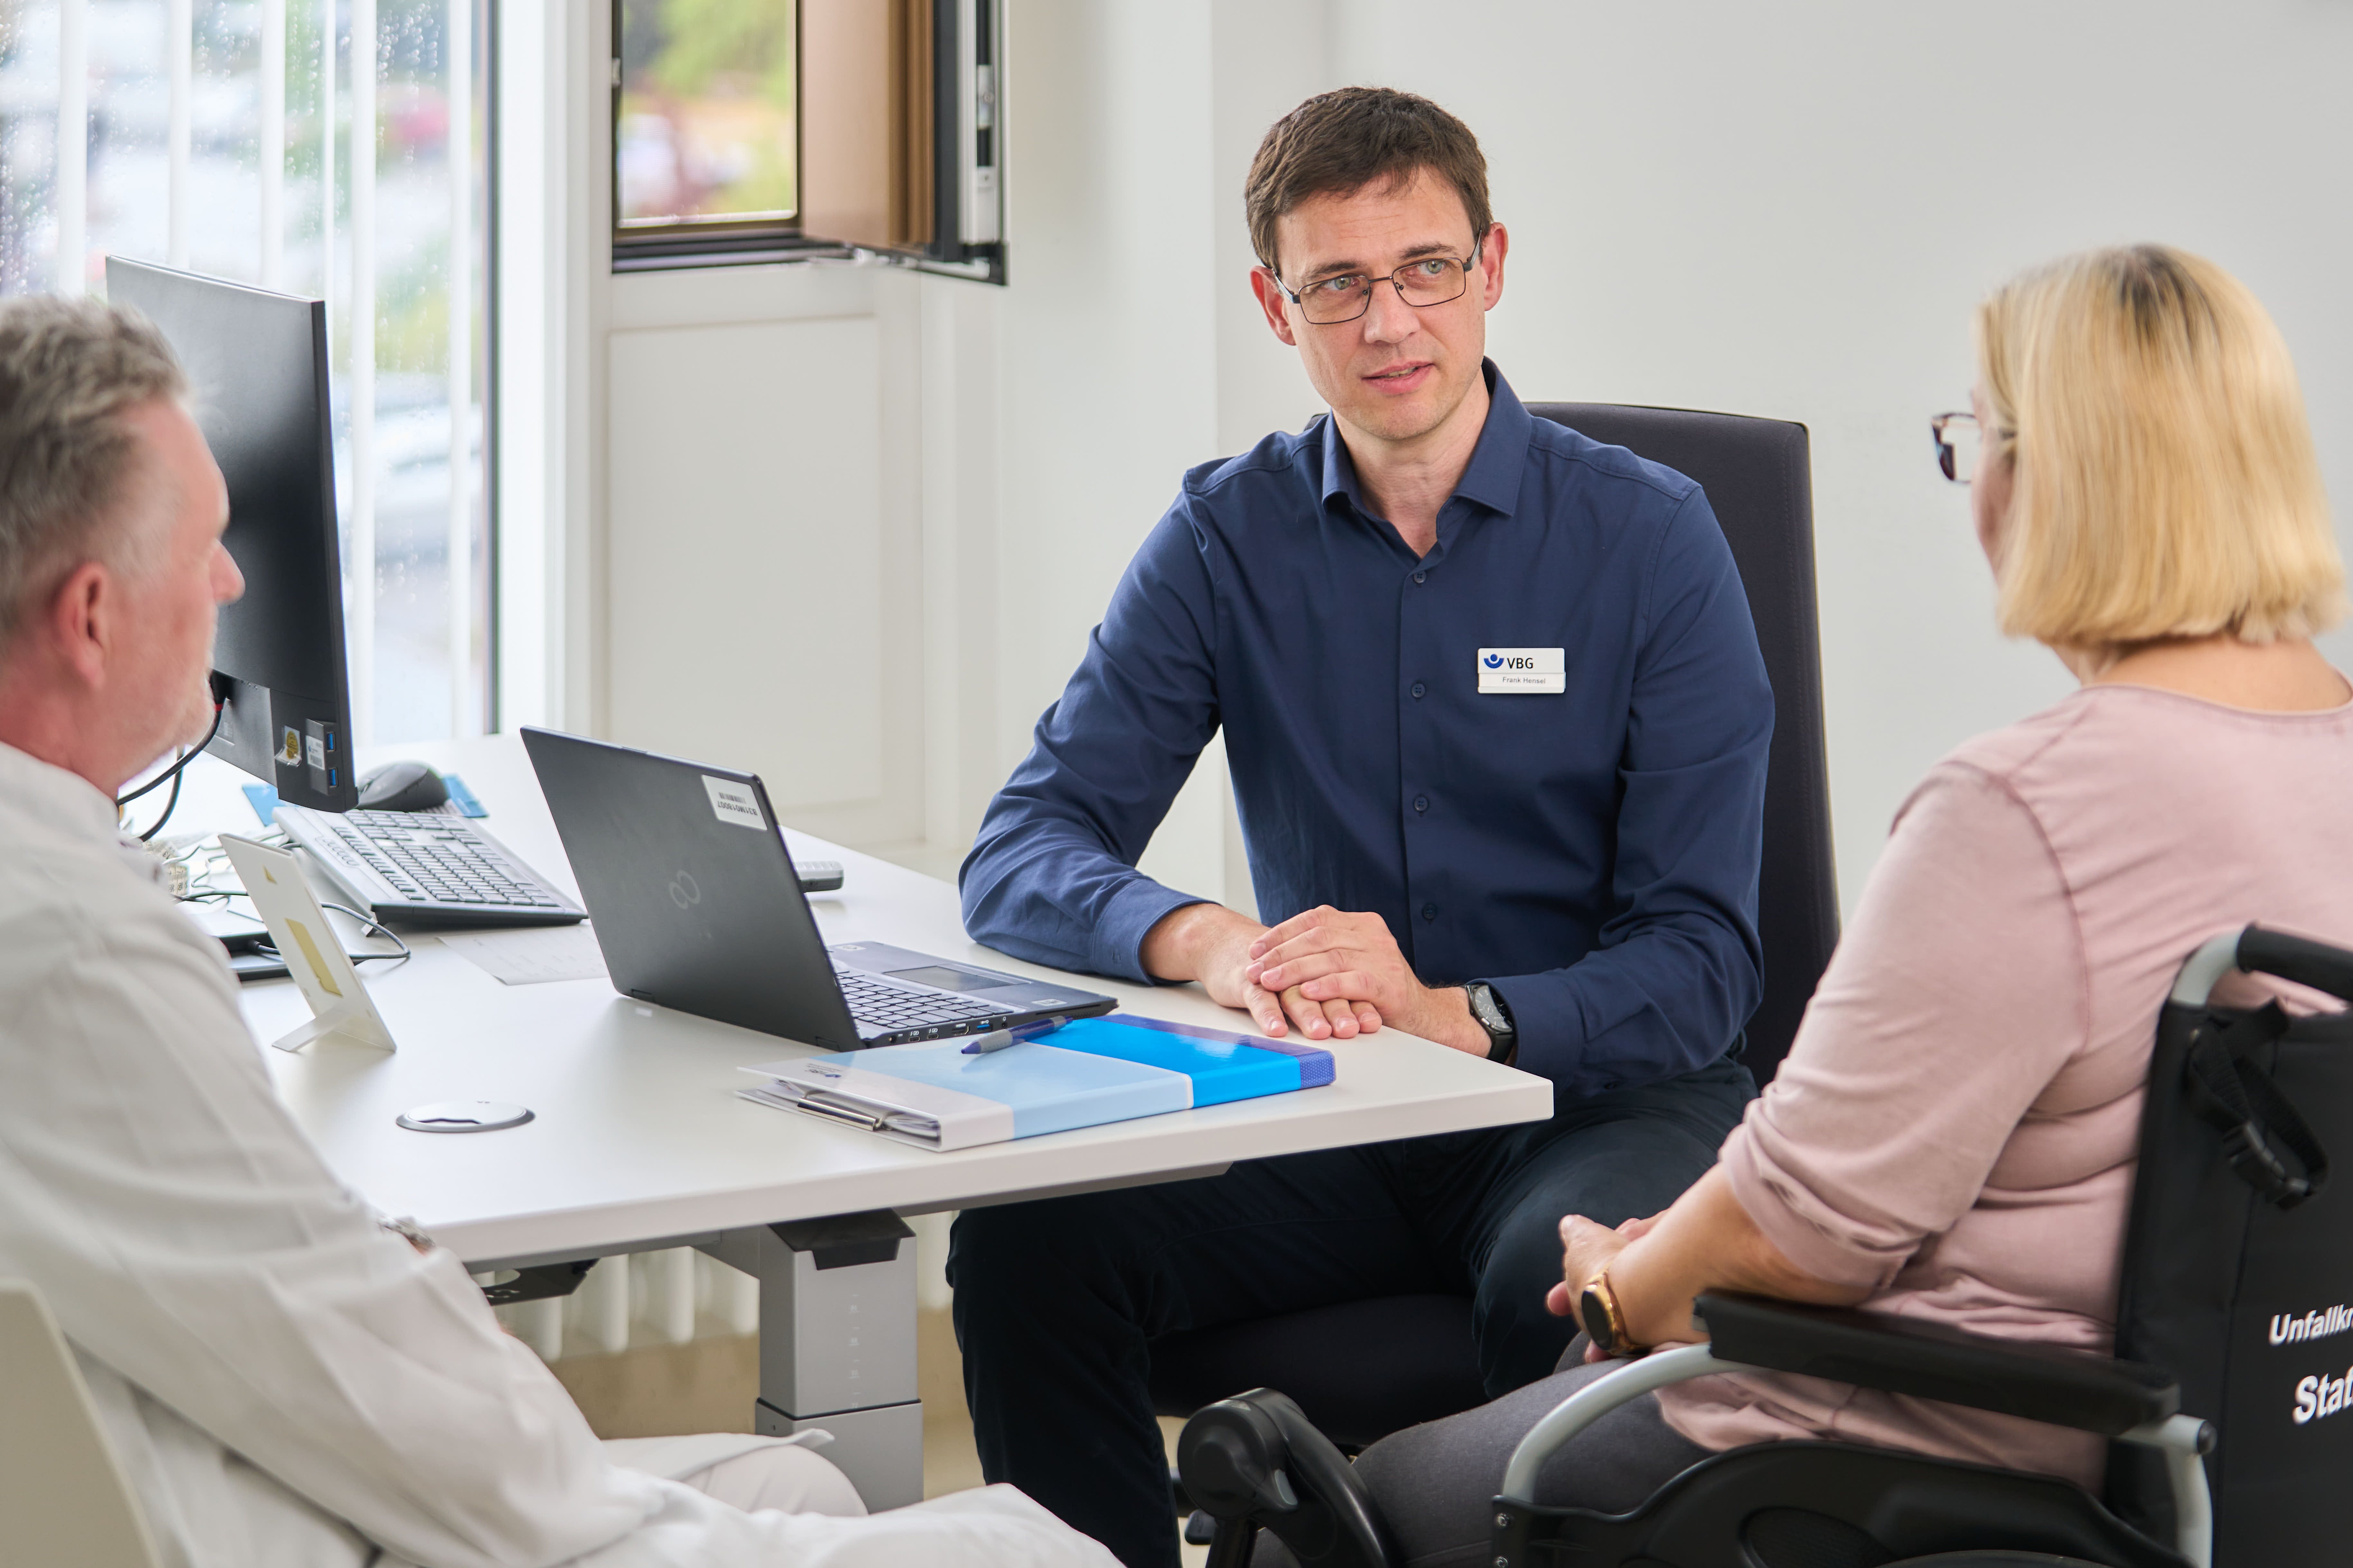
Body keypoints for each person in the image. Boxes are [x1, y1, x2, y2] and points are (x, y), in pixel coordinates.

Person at [0, 296, 1117, 1568]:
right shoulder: (77, 950)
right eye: (205, 546)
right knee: (1035, 1554)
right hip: (279, 1520)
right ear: (91, 616)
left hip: (209, 1469)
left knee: (795, 1486)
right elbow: (401, 1405)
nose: (232, 583)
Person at [1339, 243, 2353, 1565]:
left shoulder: (2027, 810)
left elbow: (1790, 1233)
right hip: (2248, 1461)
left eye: (1971, 439)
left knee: (1344, 1501)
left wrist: (1615, 1279)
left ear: (2058, 473)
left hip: (1917, 1455)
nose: (1968, 483)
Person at [949, 87, 1774, 1567]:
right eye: (1338, 283)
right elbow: (1021, 847)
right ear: (1277, 307)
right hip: (1336, 1101)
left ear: (1491, 266)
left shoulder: (1654, 541)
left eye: (1425, 270)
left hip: (1591, 1103)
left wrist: (1463, 1015)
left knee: (1551, 1288)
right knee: (1028, 1247)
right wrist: (1210, 942)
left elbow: (1706, 960)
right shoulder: (1222, 539)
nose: (1388, 321)